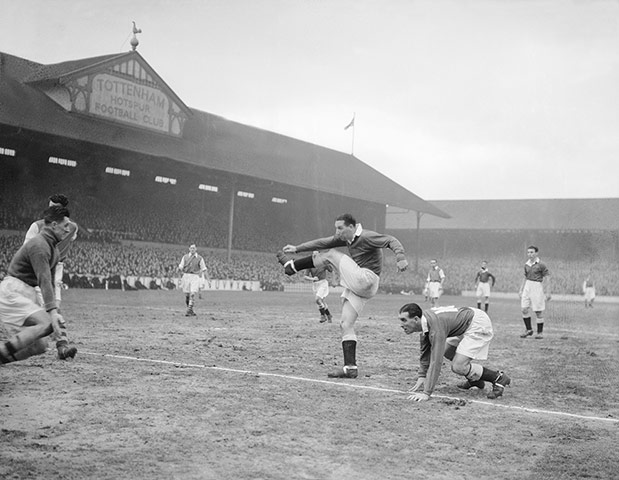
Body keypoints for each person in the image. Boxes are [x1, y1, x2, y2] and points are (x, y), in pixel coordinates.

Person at [277, 213, 408, 379]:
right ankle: (350, 368)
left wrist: (400, 256)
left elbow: (390, 240)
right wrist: (297, 248)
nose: (337, 232)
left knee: (331, 254)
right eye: (336, 228)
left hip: (366, 278)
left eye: (340, 228)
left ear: (352, 227)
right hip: (363, 286)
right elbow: (322, 242)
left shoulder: (366, 236)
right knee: (346, 324)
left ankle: (292, 267)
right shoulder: (347, 239)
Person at [0, 205, 73, 364]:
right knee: (46, 323)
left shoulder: (54, 250)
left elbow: (51, 284)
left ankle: (2, 358)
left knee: (40, 345)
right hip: (13, 292)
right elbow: (44, 280)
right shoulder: (39, 245)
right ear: (54, 225)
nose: (68, 230)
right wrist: (52, 313)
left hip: (26, 293)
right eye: (65, 225)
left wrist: (54, 310)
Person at [398, 303, 511, 401]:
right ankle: (475, 379)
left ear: (416, 319)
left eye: (404, 320)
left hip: (477, 323)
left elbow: (436, 361)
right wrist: (422, 376)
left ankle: (498, 378)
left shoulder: (435, 328)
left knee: (457, 366)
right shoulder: (425, 321)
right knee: (448, 351)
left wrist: (426, 393)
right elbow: (425, 351)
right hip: (467, 320)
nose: (401, 325)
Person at [24, 193, 78, 360]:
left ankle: (58, 344)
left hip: (51, 268)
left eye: (53, 207)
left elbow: (27, 247)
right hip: (43, 267)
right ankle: (61, 344)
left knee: (51, 307)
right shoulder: (73, 228)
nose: (48, 209)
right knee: (50, 307)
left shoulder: (38, 226)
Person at [519, 245, 551, 339]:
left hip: (537, 286)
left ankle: (540, 333)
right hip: (527, 286)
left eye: (532, 252)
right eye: (528, 252)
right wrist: (521, 289)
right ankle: (529, 330)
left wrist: (548, 292)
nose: (530, 254)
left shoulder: (541, 264)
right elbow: (524, 277)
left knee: (538, 311)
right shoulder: (526, 264)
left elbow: (547, 277)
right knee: (524, 309)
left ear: (536, 253)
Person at [177, 244, 211, 316]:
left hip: (195, 276)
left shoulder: (200, 258)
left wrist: (208, 279)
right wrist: (178, 270)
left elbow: (204, 269)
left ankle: (189, 310)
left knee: (192, 293)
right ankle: (190, 309)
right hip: (186, 276)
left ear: (196, 249)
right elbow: (181, 266)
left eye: (194, 248)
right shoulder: (185, 257)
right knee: (187, 295)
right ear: (189, 249)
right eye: (191, 248)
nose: (192, 249)